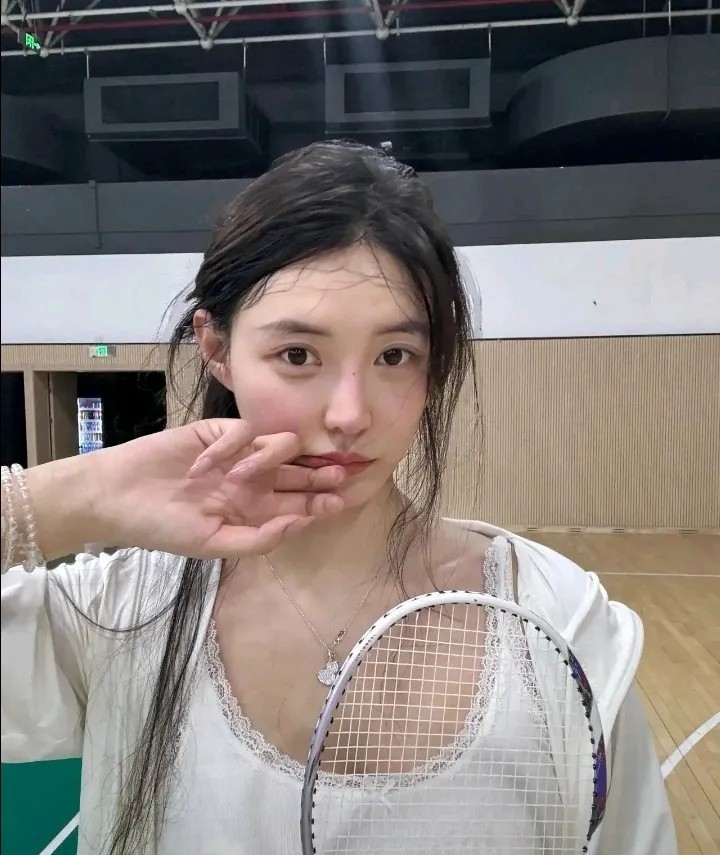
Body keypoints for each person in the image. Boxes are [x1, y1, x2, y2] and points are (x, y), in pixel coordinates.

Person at [1, 141, 677, 855]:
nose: (350, 414)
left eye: (394, 356)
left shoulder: (560, 625)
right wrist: (63, 496)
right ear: (217, 348)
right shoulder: (116, 612)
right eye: (298, 355)